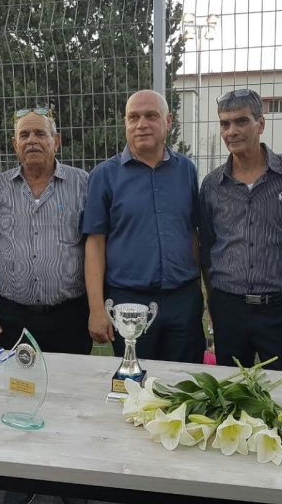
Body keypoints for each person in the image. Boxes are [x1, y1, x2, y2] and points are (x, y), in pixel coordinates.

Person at [199, 88, 282, 372]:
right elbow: (207, 250)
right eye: (225, 123)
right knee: (230, 389)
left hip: (279, 309)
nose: (232, 131)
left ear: (260, 124)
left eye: (241, 121)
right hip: (228, 307)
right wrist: (213, 305)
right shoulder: (212, 185)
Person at [83, 89, 204, 363]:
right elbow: (95, 244)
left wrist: (199, 291)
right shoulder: (104, 176)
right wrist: (96, 309)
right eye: (133, 117)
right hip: (128, 302)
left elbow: (193, 233)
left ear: (168, 121)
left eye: (151, 116)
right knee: (134, 382)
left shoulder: (186, 170)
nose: (141, 124)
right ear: (125, 123)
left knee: (184, 381)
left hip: (183, 301)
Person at [0, 107, 91, 355]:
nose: (32, 140)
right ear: (15, 144)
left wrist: (96, 307)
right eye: (24, 135)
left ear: (56, 141)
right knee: (17, 379)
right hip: (14, 315)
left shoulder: (82, 183)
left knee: (72, 377)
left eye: (40, 133)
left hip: (71, 314)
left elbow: (95, 247)